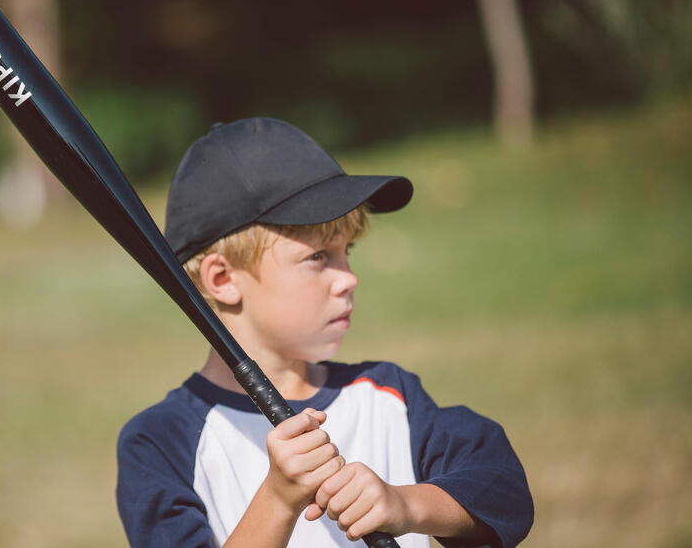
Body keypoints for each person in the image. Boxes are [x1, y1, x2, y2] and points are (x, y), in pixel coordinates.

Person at [116, 117, 533, 547]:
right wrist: (277, 501)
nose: (347, 278)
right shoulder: (162, 441)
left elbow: (503, 489)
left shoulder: (387, 396)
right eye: (317, 257)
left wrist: (405, 505)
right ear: (223, 278)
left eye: (346, 252)